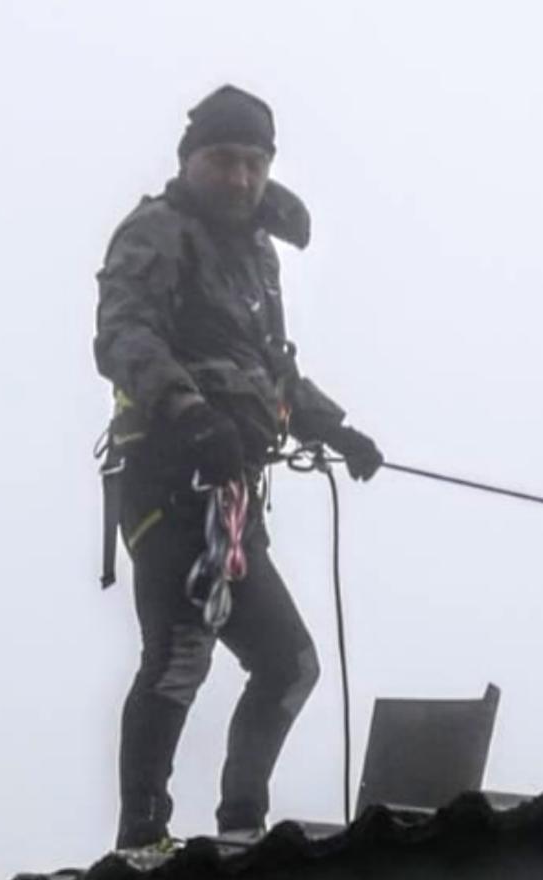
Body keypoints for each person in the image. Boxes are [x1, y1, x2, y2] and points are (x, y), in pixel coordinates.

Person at [93, 84, 384, 849]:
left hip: (232, 500)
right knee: (180, 657)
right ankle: (141, 840)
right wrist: (190, 415)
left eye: (254, 163)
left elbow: (268, 370)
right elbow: (121, 335)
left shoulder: (257, 255)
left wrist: (338, 428)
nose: (240, 178)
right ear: (191, 161)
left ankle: (241, 830)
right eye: (224, 160)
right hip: (167, 484)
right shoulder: (155, 231)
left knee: (289, 666)